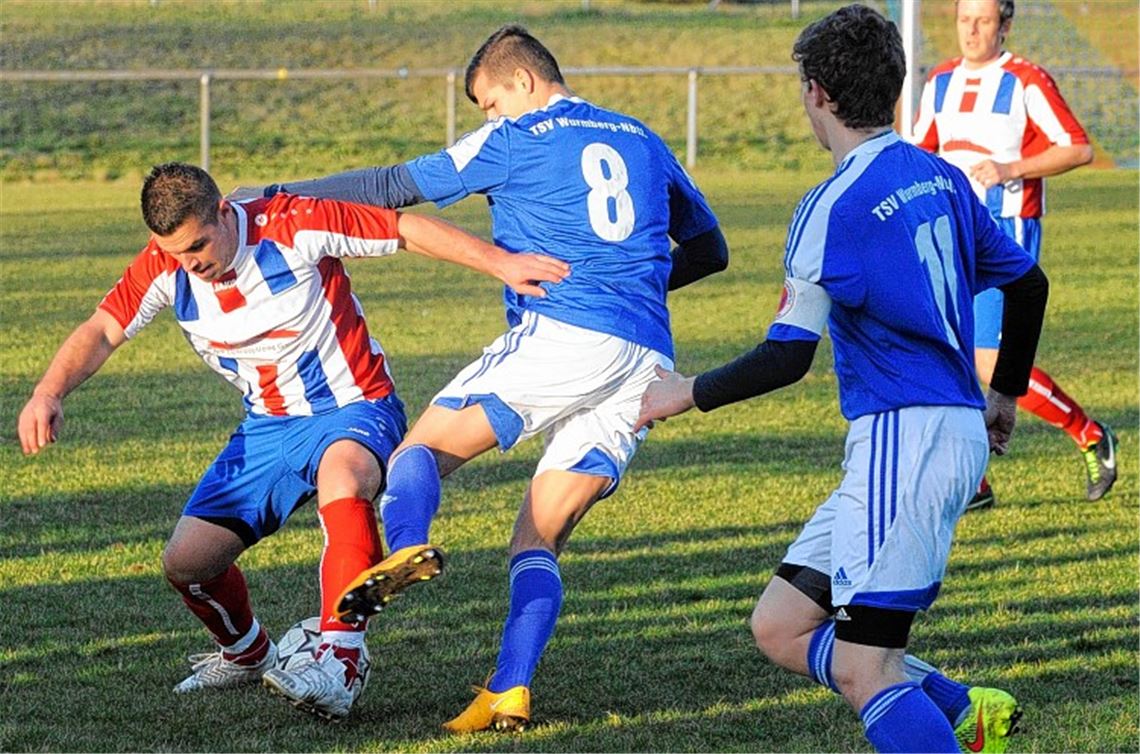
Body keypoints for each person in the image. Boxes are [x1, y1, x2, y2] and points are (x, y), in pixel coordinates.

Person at [264, 24, 728, 732]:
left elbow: (392, 187)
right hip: (646, 361)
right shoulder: (642, 136)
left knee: (418, 452)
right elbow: (711, 248)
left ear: (522, 82)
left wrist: (278, 197)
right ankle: (509, 689)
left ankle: (405, 543)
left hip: (565, 333)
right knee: (537, 537)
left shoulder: (515, 137)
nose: (488, 115)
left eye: (488, 102)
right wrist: (627, 291)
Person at [16, 162, 568, 721]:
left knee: (345, 479)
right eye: (176, 252)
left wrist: (500, 263)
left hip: (355, 407)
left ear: (224, 214)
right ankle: (246, 652)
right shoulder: (165, 264)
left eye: (198, 245)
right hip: (266, 428)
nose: (191, 263)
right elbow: (102, 329)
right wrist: (47, 392)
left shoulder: (292, 223)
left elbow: (404, 229)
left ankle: (341, 658)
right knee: (187, 563)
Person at [636, 5, 1047, 753]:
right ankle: (960, 708)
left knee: (866, 668)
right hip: (940, 432)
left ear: (817, 93)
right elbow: (1028, 283)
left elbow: (787, 356)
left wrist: (683, 392)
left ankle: (937, 722)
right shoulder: (940, 176)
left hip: (903, 438)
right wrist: (1002, 397)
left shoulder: (830, 207)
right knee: (781, 625)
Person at [911, 0, 1117, 509]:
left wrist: (1011, 169)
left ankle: (1089, 433)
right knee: (947, 353)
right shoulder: (939, 82)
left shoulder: (1026, 80)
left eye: (983, 21)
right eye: (964, 20)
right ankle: (975, 482)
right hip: (951, 232)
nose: (971, 30)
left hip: (1006, 231)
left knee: (989, 362)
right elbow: (920, 152)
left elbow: (1078, 148)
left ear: (1004, 25)